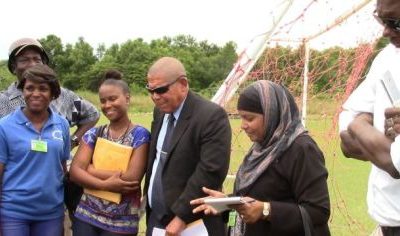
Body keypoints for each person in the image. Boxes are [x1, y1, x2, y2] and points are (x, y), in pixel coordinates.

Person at [191, 80, 331, 236]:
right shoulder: (260, 149)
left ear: (272, 114)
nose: (243, 125)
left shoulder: (302, 149)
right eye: (240, 118)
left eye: (249, 118)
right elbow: (253, 201)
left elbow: (318, 211)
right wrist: (227, 204)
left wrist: (267, 210)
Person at [144, 57, 231, 236]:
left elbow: (210, 172)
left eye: (160, 90)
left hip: (193, 224)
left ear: (183, 84)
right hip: (157, 219)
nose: (155, 97)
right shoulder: (160, 112)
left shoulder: (211, 117)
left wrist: (181, 217)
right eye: (150, 91)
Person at [339, 0, 400, 234]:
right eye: (381, 19)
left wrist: (362, 127)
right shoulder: (387, 58)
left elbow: (395, 163)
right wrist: (361, 125)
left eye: (396, 23)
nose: (386, 31)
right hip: (386, 225)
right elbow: (346, 136)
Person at [69, 69, 150, 236]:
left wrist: (90, 170)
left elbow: (130, 180)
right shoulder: (94, 134)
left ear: (127, 98)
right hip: (86, 215)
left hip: (122, 221)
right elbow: (75, 173)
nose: (107, 105)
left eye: (113, 99)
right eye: (103, 101)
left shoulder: (140, 135)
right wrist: (105, 185)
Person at [0, 64, 70, 236]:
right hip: (13, 213)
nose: (36, 93)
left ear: (53, 93)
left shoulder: (62, 125)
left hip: (51, 213)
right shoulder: (4, 126)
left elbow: (62, 168)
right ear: (22, 91)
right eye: (29, 88)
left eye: (43, 88)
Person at [0, 37, 99, 149]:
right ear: (13, 67)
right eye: (24, 60)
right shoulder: (2, 101)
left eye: (37, 59)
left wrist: (72, 141)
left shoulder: (62, 95)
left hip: (57, 165)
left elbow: (92, 114)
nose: (33, 64)